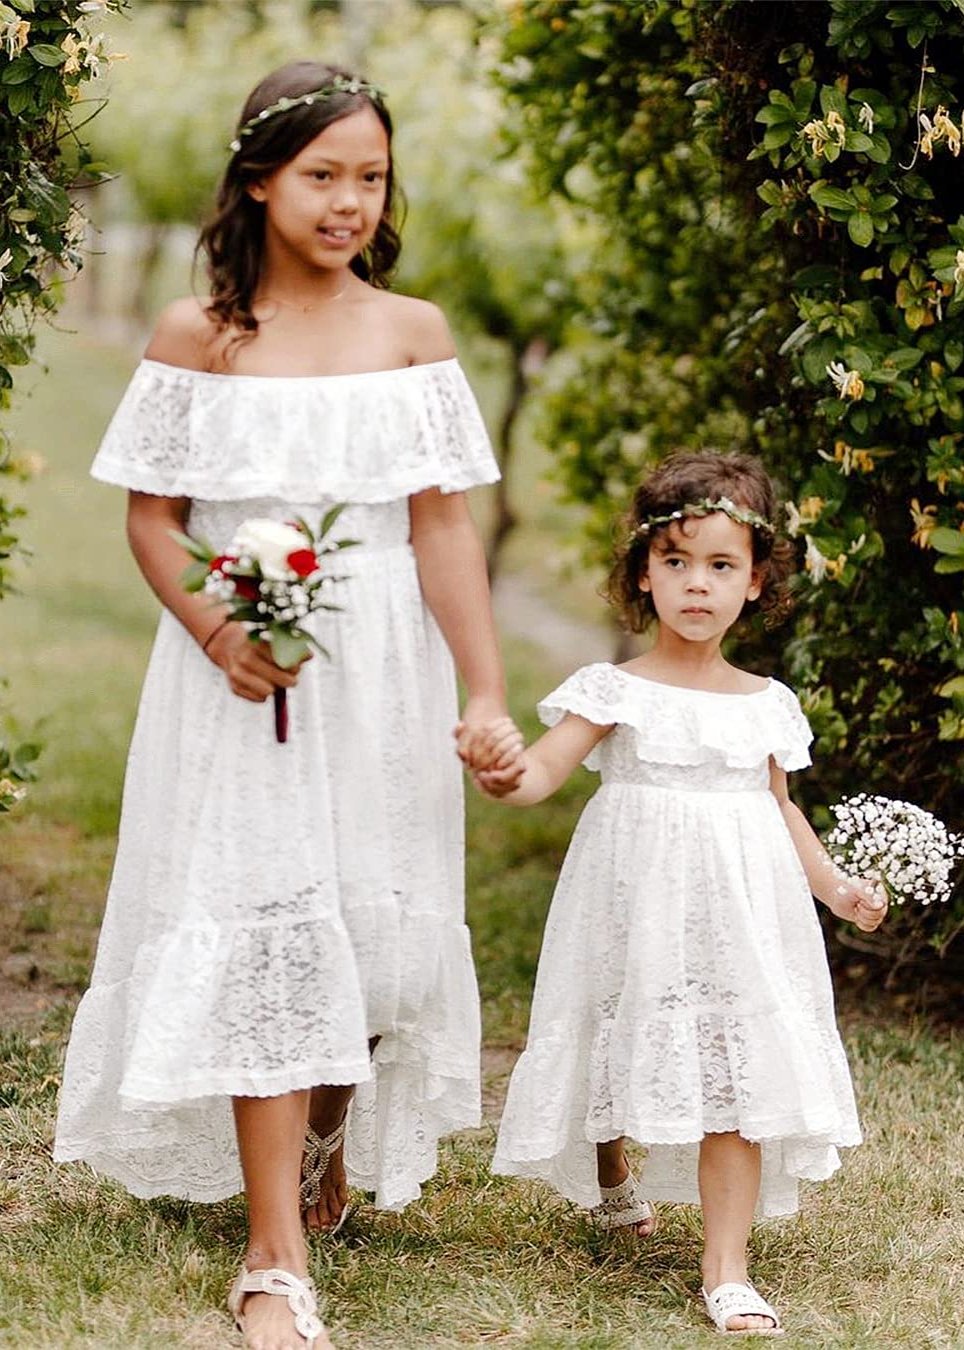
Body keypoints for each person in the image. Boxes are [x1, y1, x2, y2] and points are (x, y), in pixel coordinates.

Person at [53, 61, 517, 1350]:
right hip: (242, 671)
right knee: (266, 918)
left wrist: (482, 690)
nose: (349, 202)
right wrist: (217, 627)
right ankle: (272, 1258)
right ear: (259, 178)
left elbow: (441, 530)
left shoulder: (412, 333)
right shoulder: (197, 337)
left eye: (370, 178)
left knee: (370, 925)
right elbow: (151, 520)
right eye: (323, 175)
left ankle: (327, 1136)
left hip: (381, 672)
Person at [462, 450, 887, 1337]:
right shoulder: (613, 690)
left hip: (742, 906)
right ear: (644, 575)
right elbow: (543, 772)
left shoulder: (767, 703)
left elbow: (780, 809)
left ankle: (726, 1267)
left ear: (756, 581)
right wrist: (505, 774)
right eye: (677, 562)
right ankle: (611, 1176)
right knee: (618, 1023)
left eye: (722, 566)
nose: (698, 585)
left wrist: (836, 887)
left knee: (734, 1064)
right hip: (633, 894)